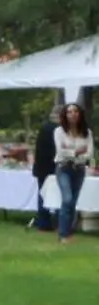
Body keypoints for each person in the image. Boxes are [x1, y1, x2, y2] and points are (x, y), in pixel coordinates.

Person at [53, 103, 92, 245]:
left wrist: (72, 153)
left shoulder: (86, 132)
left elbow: (89, 153)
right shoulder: (59, 131)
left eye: (75, 111)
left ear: (80, 114)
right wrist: (77, 152)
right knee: (67, 199)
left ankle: (68, 232)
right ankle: (63, 234)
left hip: (79, 169)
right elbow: (60, 152)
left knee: (73, 202)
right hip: (63, 168)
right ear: (65, 114)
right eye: (69, 112)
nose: (73, 114)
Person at [32, 105, 66, 233]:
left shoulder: (44, 127)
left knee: (42, 195)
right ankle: (59, 223)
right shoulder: (57, 130)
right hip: (53, 167)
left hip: (41, 167)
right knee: (58, 195)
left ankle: (43, 222)